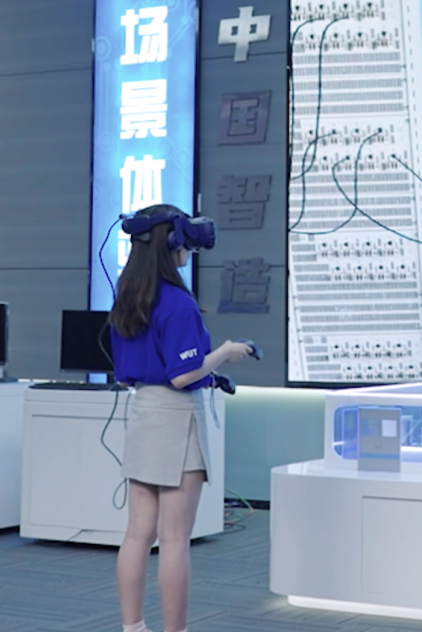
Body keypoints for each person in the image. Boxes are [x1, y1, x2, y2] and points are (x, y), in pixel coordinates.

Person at [107, 204, 253, 632]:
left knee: (137, 534)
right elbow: (183, 374)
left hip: (143, 414)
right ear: (173, 242)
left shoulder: (128, 297)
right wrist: (225, 352)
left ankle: (133, 627)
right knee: (174, 539)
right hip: (176, 420)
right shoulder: (177, 303)